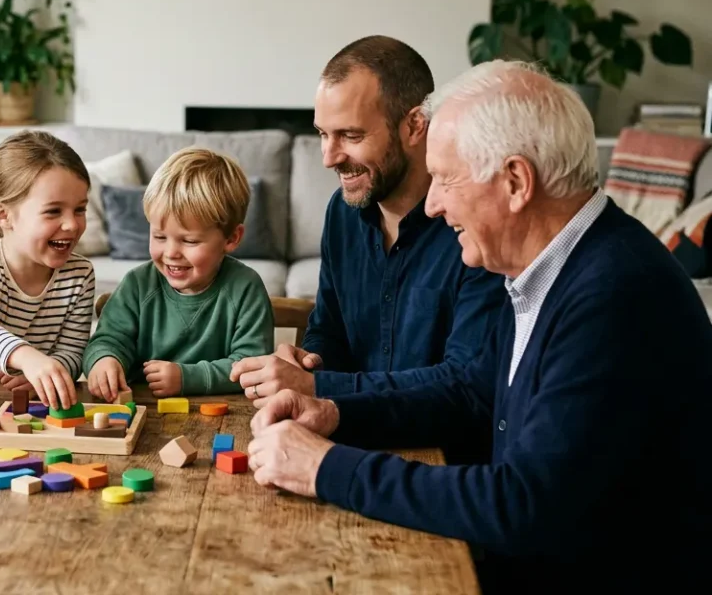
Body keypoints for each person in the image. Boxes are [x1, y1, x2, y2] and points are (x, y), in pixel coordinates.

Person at [245, 59, 712, 593]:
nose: (436, 203)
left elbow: (523, 505)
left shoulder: (613, 294)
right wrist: (331, 409)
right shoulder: (547, 269)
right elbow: (472, 395)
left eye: (446, 178)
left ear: (515, 181)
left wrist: (325, 469)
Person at [231, 35, 505, 402]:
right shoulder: (341, 212)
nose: (328, 157)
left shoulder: (472, 225)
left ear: (414, 126)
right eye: (323, 134)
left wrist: (317, 387)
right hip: (345, 425)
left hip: (435, 449)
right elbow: (328, 331)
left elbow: (463, 385)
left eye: (350, 135)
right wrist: (307, 363)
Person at [84, 147, 275, 399]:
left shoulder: (245, 288)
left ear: (231, 238)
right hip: (142, 410)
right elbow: (108, 339)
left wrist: (187, 378)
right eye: (159, 237)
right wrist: (104, 361)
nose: (171, 252)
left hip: (221, 414)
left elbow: (250, 364)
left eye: (190, 241)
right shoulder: (137, 284)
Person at [0, 131, 94, 409]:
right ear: (3, 215)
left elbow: (73, 353)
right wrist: (28, 358)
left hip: (26, 409)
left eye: (80, 209)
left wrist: (45, 374)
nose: (72, 225)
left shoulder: (80, 275)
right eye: (53, 211)